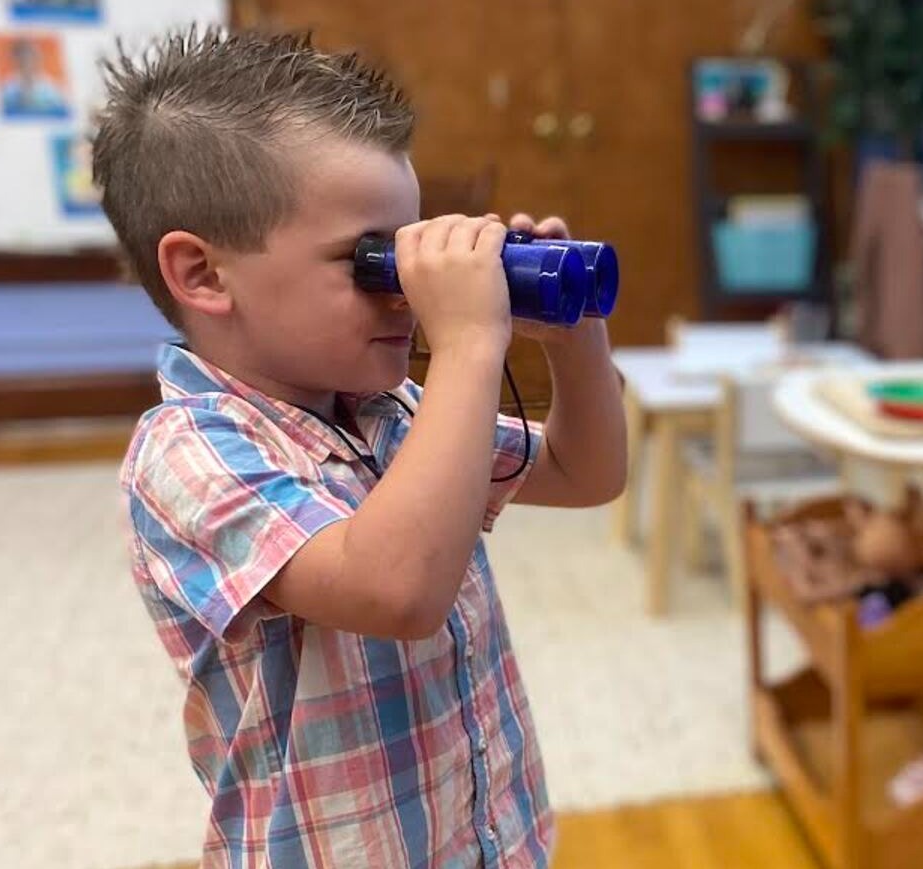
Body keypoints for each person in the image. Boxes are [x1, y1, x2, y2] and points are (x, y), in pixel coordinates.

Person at [100, 27, 627, 866]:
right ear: (203, 274)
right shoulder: (190, 454)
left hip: (490, 840)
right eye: (371, 260)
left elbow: (585, 472)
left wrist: (572, 336)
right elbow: (396, 591)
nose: (411, 293)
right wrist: (466, 348)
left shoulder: (390, 410)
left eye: (410, 248)